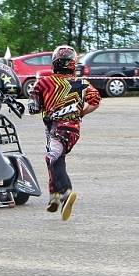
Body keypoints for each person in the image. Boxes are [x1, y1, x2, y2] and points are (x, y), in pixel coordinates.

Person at [28, 45, 101, 221]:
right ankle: (54, 196)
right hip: (73, 130)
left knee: (53, 157)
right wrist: (81, 112)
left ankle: (66, 192)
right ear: (73, 63)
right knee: (55, 159)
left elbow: (33, 109)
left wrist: (42, 103)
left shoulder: (43, 82)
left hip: (56, 128)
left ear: (54, 63)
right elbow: (95, 101)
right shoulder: (82, 83)